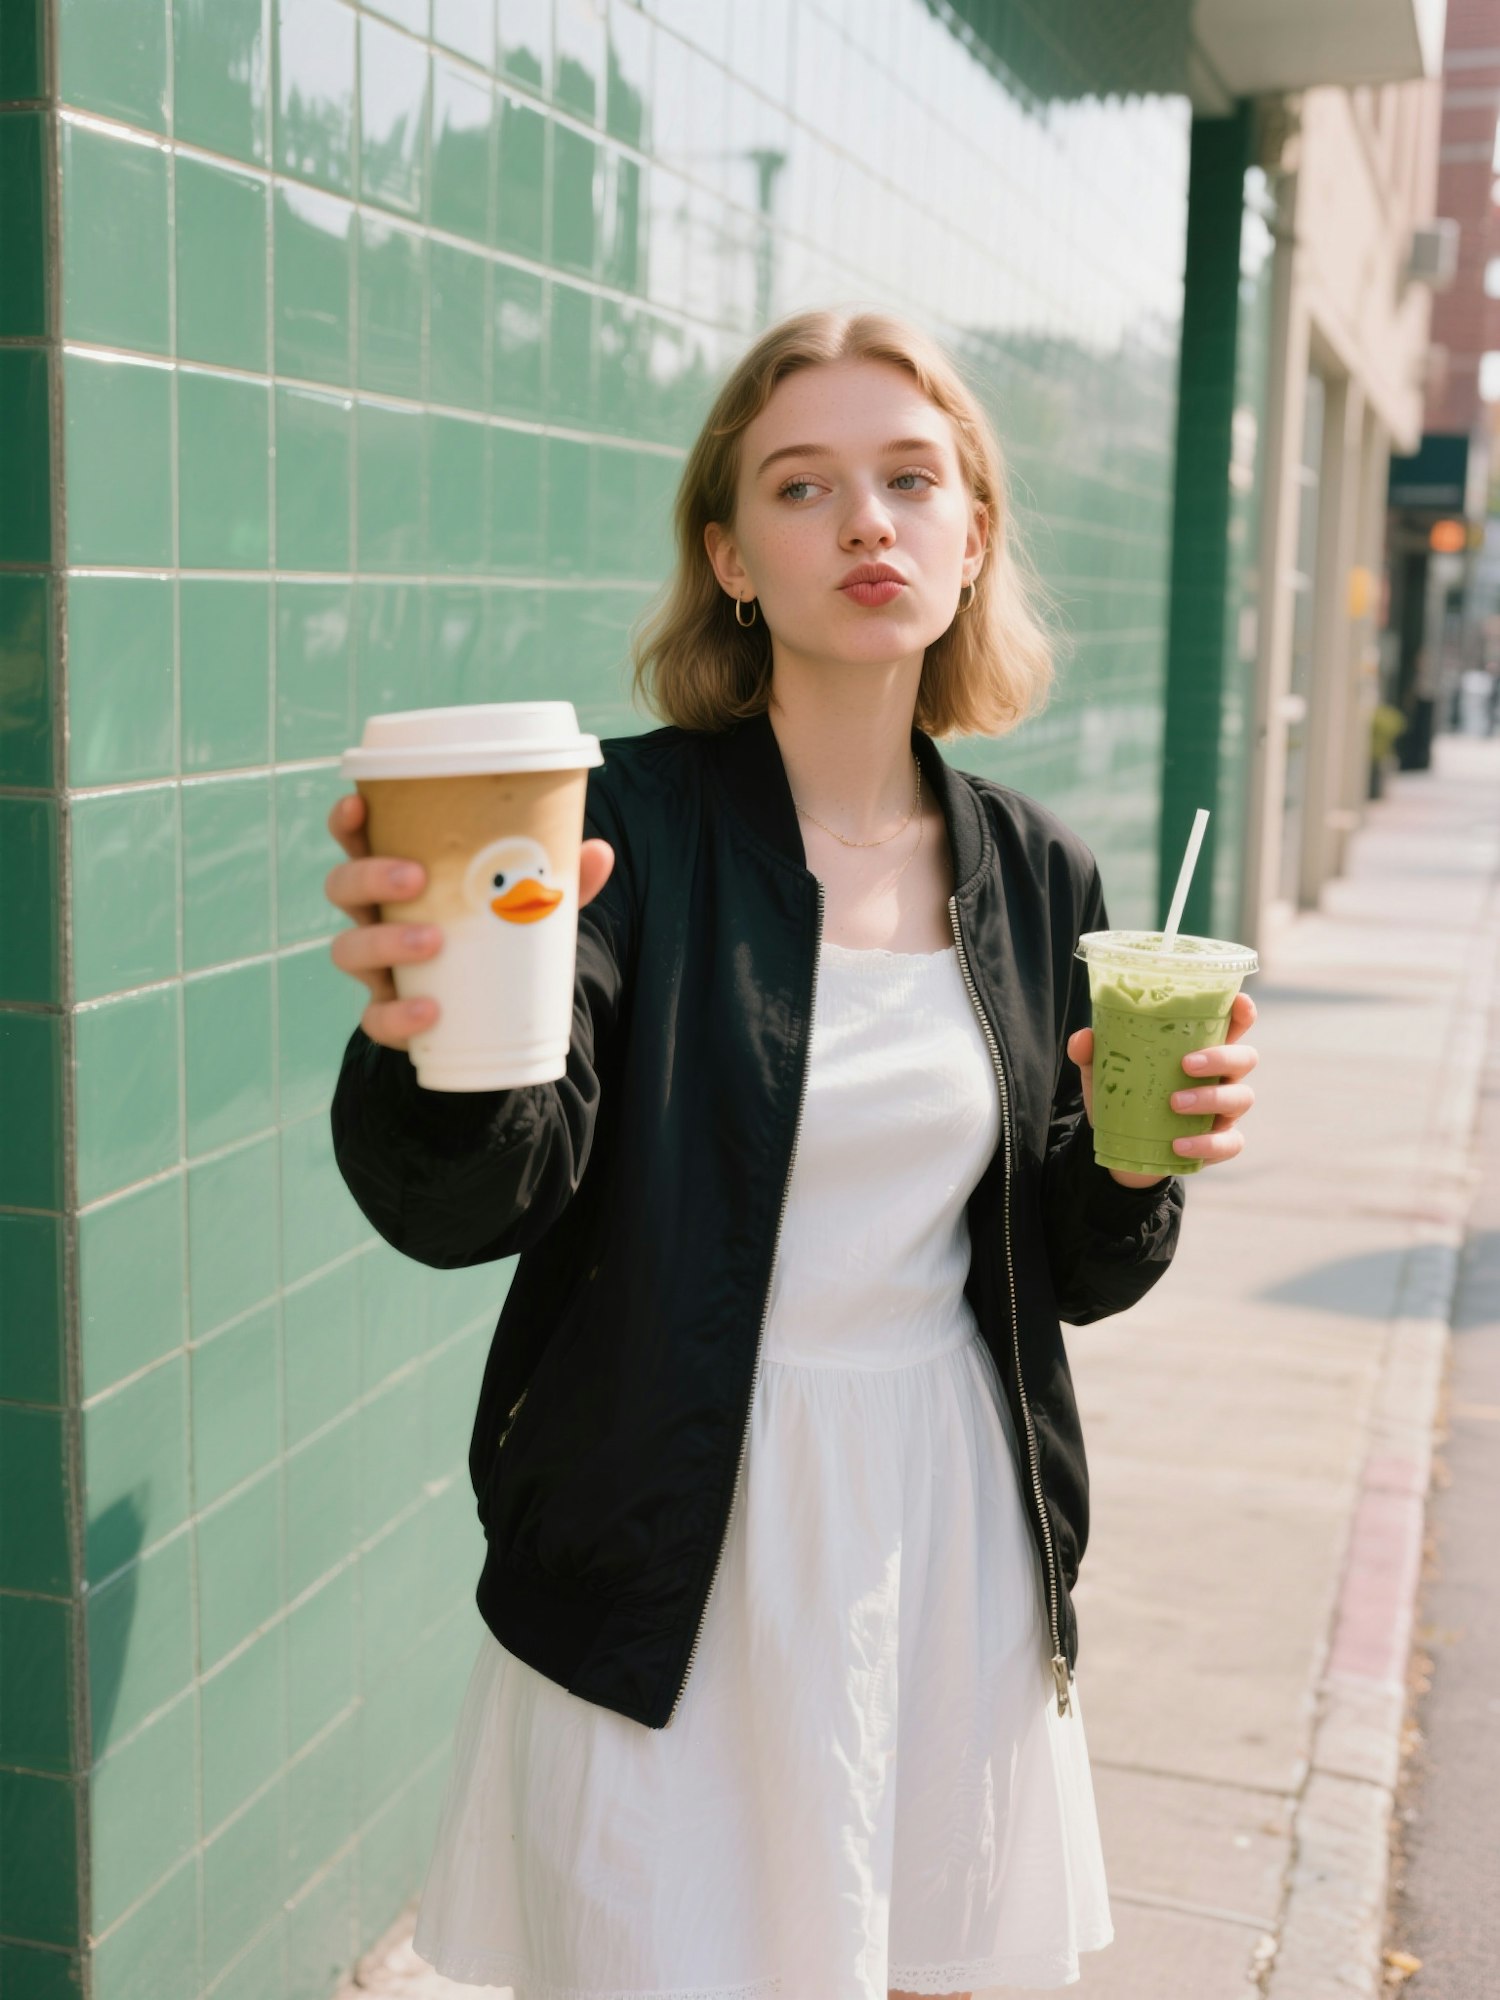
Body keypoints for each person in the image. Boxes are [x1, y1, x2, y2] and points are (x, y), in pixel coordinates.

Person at [325, 309, 1259, 2000]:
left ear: (972, 538)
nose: (867, 523)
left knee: (919, 1965)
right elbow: (481, 1194)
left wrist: (1140, 1166)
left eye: (912, 480)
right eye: (802, 485)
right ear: (731, 557)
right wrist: (430, 1029)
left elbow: (1072, 1257)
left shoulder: (1040, 876)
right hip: (675, 1521)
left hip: (948, 1513)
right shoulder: (610, 827)